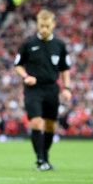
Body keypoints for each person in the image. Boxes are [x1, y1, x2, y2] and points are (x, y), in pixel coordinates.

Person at [14, 9, 72, 171]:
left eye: (47, 26)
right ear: (37, 25)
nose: (44, 29)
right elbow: (17, 65)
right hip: (33, 88)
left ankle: (45, 156)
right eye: (41, 26)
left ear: (53, 25)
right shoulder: (28, 44)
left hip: (52, 88)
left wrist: (66, 88)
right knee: (36, 121)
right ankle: (40, 161)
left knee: (51, 126)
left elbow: (65, 68)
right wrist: (26, 76)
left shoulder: (59, 45)